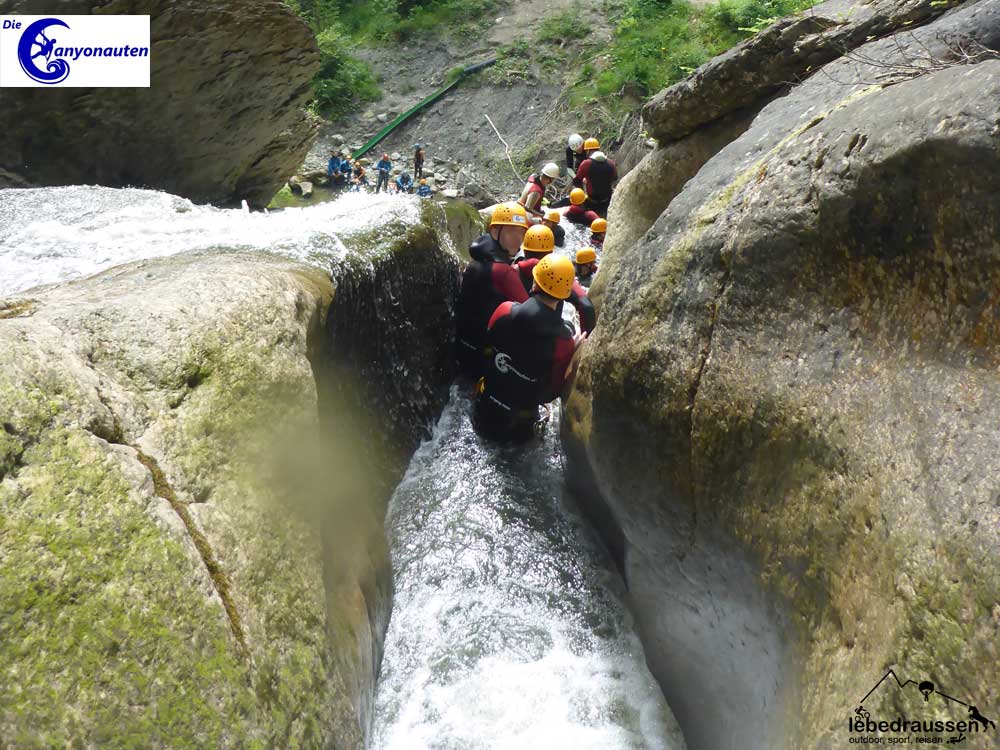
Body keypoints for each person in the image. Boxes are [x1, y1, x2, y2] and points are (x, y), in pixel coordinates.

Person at [473, 254, 585, 443]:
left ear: (534, 283)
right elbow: (551, 394)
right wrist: (574, 355)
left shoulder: (504, 310)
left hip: (482, 411)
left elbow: (486, 349)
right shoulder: (563, 344)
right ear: (565, 295)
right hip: (518, 430)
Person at [455, 202, 530, 378]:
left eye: (521, 232)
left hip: (464, 342)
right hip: (487, 353)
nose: (518, 238)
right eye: (512, 231)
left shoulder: (478, 257)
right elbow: (532, 316)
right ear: (495, 231)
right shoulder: (504, 272)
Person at [514, 225, 597, 335]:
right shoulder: (559, 273)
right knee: (569, 326)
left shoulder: (511, 270)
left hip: (518, 330)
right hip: (551, 335)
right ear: (551, 251)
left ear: (524, 248)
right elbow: (586, 306)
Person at [574, 149, 618, 216]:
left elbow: (577, 181)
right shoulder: (611, 163)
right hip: (607, 200)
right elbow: (615, 178)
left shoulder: (586, 164)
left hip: (592, 200)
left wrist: (582, 193)